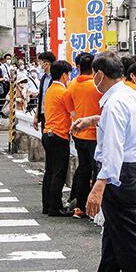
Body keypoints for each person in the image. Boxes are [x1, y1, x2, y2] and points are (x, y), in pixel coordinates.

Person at [71, 52, 136, 272]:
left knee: (129, 243)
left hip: (119, 175)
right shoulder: (130, 95)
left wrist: (99, 185)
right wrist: (93, 120)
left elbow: (113, 149)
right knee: (114, 238)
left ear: (99, 74)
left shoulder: (116, 102)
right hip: (134, 170)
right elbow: (124, 127)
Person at [65, 52, 103, 219]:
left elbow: (70, 109)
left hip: (79, 134)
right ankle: (94, 208)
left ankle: (80, 207)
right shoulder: (98, 86)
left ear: (78, 66)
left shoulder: (72, 85)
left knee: (83, 169)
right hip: (96, 135)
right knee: (97, 171)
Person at [41, 60, 75, 217]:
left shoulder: (50, 90)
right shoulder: (64, 92)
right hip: (59, 135)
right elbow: (73, 114)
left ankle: (47, 205)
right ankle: (56, 207)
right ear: (64, 75)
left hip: (47, 133)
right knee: (59, 173)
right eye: (68, 74)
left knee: (49, 171)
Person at [32, 52, 57, 130]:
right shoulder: (43, 78)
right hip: (43, 114)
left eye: (40, 62)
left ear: (46, 63)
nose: (40, 65)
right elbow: (41, 98)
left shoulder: (56, 78)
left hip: (54, 114)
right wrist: (36, 116)